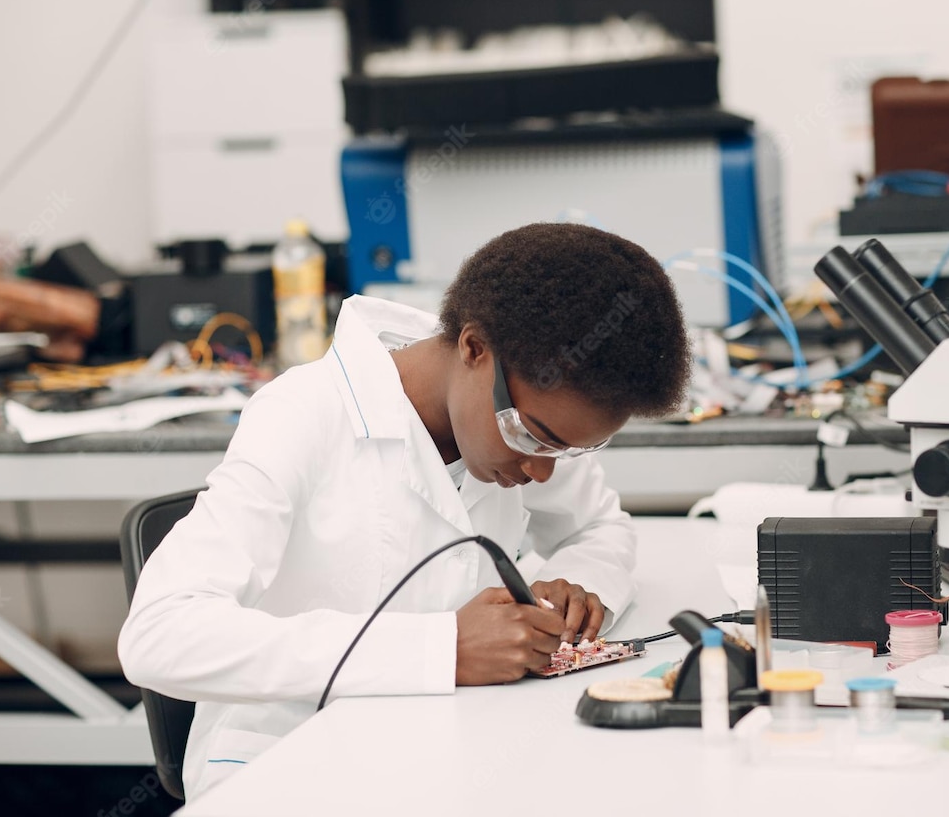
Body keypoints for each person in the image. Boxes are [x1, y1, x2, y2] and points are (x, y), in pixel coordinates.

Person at [118, 223, 692, 799]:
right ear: (474, 349)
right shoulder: (304, 414)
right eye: (537, 438)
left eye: (569, 450)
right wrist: (440, 649)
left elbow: (600, 526)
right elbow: (160, 633)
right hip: (291, 766)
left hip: (450, 750)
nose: (543, 471)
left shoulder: (523, 417)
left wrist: (580, 585)